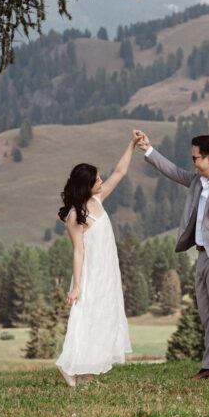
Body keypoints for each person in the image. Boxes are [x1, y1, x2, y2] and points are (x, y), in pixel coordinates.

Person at [135, 130, 209, 379]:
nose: (192, 162)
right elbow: (174, 172)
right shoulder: (199, 181)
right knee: (208, 316)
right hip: (202, 257)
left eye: (195, 158)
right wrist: (147, 149)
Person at [54, 132, 140, 387]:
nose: (102, 182)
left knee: (101, 320)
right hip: (90, 273)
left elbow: (120, 171)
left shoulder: (96, 200)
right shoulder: (74, 216)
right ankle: (66, 366)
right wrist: (77, 286)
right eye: (97, 180)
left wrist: (132, 144)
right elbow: (78, 251)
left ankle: (86, 375)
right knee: (86, 319)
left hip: (107, 272)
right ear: (86, 185)